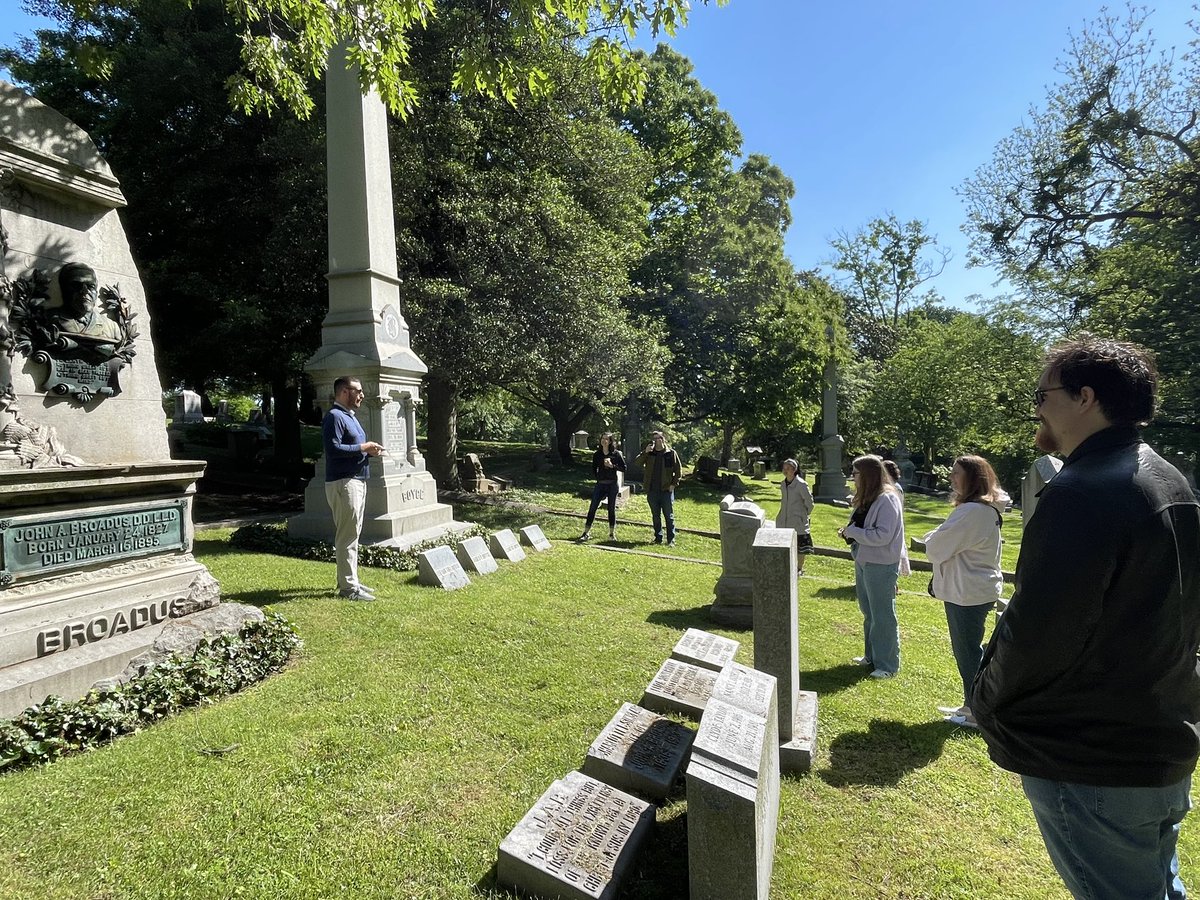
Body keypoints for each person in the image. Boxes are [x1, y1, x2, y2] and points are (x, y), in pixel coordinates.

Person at [972, 336, 1200, 900]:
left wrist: (985, 696)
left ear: (1085, 397)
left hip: (1092, 756)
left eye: (1043, 393)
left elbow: (1038, 633)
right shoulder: (1168, 480)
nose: (1036, 407)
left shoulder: (1083, 492)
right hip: (1156, 737)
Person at [922, 455, 1009, 728]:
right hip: (972, 589)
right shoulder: (980, 509)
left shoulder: (972, 512)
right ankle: (970, 703)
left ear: (973, 478)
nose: (951, 478)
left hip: (967, 592)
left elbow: (934, 546)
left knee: (969, 654)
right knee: (969, 651)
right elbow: (938, 541)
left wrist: (935, 539)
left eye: (957, 473)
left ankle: (976, 711)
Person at [838, 454, 906, 678]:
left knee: (883, 615)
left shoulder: (887, 499)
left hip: (881, 563)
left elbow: (883, 536)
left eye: (855, 473)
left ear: (867, 475)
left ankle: (887, 666)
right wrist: (849, 532)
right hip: (865, 559)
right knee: (869, 613)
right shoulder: (870, 497)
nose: (852, 477)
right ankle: (871, 657)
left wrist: (853, 532)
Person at [322, 376, 385, 601]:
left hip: (356, 481)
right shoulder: (334, 417)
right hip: (344, 482)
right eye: (358, 391)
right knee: (347, 537)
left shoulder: (349, 417)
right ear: (344, 392)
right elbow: (333, 448)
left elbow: (353, 448)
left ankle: (351, 582)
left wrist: (369, 450)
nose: (362, 395)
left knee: (353, 535)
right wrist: (363, 447)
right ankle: (349, 589)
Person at [53, 263, 123, 349]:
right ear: (64, 289)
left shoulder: (111, 327)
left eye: (91, 286)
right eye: (76, 285)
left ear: (96, 292)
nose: (85, 291)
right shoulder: (48, 319)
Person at [579, 432, 626, 542]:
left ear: (610, 441)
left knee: (611, 509)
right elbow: (593, 468)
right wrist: (598, 478)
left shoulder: (616, 454)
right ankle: (586, 532)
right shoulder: (597, 454)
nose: (604, 441)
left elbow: (624, 468)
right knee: (593, 507)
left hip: (612, 485)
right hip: (601, 484)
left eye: (606, 439)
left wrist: (612, 466)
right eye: (602, 438)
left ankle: (611, 534)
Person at [637, 430, 682, 547]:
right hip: (652, 490)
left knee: (669, 516)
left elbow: (678, 470)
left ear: (663, 439)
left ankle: (671, 540)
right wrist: (645, 452)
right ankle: (658, 537)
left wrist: (673, 484)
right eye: (655, 439)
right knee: (655, 516)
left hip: (666, 490)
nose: (657, 441)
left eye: (659, 438)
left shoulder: (671, 453)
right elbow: (637, 463)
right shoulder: (649, 454)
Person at [776, 458, 814, 574]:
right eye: (784, 468)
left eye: (788, 468)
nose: (785, 471)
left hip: (798, 520)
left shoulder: (801, 484)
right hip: (784, 519)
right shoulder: (783, 484)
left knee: (800, 547)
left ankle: (799, 568)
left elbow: (810, 503)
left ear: (794, 470)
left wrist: (803, 515)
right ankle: (786, 565)